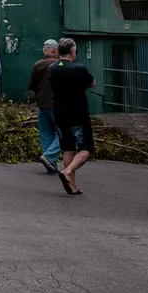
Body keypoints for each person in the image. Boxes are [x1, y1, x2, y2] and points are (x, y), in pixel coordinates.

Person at [49, 37, 95, 195]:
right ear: (73, 52)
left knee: (68, 149)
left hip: (60, 113)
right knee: (86, 148)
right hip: (78, 113)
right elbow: (92, 83)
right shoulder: (79, 68)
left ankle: (72, 184)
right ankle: (68, 172)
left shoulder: (53, 68)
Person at [26, 39, 63, 174]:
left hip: (42, 105)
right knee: (65, 133)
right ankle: (49, 156)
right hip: (57, 104)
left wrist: (34, 100)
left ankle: (51, 164)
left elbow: (32, 88)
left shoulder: (37, 65)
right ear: (55, 50)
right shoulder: (59, 64)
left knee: (46, 134)